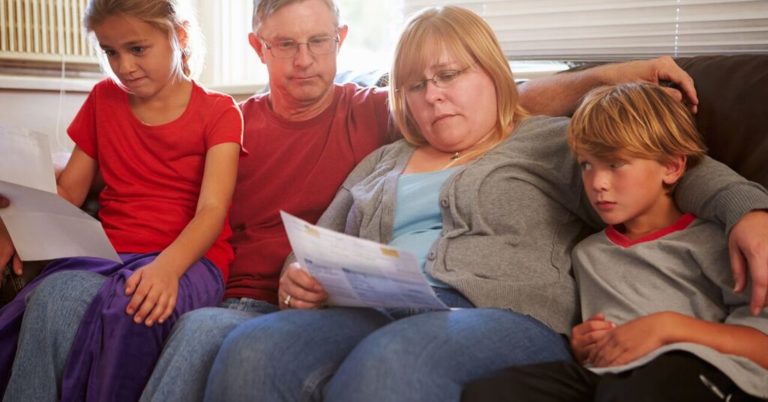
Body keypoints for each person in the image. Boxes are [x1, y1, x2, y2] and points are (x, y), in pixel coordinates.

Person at [2, 1, 766, 401]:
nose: (434, 96)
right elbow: (320, 246)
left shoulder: (540, 140)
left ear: (493, 76)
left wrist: (747, 209)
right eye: (417, 84)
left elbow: (660, 171)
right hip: (368, 302)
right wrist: (303, 281)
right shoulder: (382, 154)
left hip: (495, 313)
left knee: (397, 362)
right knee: (249, 348)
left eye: (452, 76)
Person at [461, 82, 768, 401]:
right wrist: (582, 345)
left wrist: (667, 327)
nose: (597, 183)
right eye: (586, 165)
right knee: (493, 391)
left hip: (694, 374)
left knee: (643, 386)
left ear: (672, 167)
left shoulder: (714, 242)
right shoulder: (588, 254)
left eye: (615, 164)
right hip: (605, 380)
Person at [0, 0, 243, 400]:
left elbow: (212, 211)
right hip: (108, 254)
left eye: (137, 49)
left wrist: (167, 269)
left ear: (178, 36)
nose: (124, 66)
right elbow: (70, 192)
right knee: (47, 299)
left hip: (188, 260)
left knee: (135, 310)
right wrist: (17, 224)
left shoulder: (220, 112)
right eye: (110, 51)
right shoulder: (103, 99)